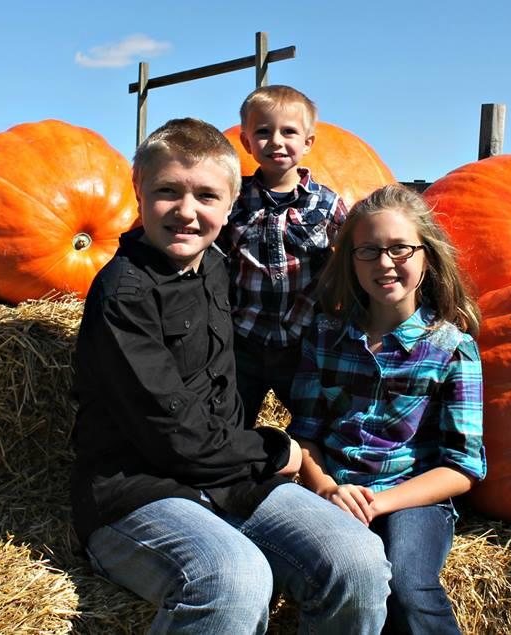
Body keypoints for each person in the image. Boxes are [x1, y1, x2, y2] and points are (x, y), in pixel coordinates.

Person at [70, 117, 390, 635]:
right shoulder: (124, 294)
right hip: (136, 490)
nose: (187, 211)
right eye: (167, 192)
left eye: (206, 196)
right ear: (138, 189)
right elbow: (174, 434)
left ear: (231, 202)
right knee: (232, 578)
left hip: (229, 480)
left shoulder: (216, 265)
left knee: (358, 560)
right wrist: (277, 451)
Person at [288, 184, 486, 635]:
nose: (384, 263)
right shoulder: (326, 336)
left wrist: (379, 504)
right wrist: (326, 488)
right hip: (336, 487)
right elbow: (305, 433)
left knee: (409, 586)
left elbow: (463, 467)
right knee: (327, 577)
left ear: (426, 256)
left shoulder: (451, 348)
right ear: (351, 260)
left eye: (400, 248)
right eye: (369, 251)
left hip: (410, 495)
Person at [217, 84, 347, 428]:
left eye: (288, 132)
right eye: (263, 132)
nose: (276, 141)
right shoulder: (234, 200)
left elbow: (351, 255)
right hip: (244, 340)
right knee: (233, 423)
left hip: (304, 343)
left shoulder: (327, 203)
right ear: (246, 142)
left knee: (312, 424)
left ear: (308, 142)